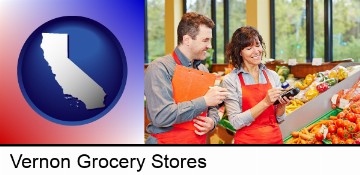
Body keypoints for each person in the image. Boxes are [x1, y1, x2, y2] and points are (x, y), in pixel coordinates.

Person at [144, 12, 228, 144]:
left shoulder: (202, 70)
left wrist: (212, 122)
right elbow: (161, 116)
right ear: (187, 40)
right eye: (205, 40)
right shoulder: (159, 68)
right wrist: (204, 101)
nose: (210, 46)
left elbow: (212, 107)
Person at [221, 26, 291, 144]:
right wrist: (265, 102)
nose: (256, 51)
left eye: (258, 45)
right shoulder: (230, 80)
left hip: (275, 139)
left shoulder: (272, 75)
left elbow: (279, 118)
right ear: (239, 52)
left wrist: (281, 106)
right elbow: (235, 122)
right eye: (249, 48)